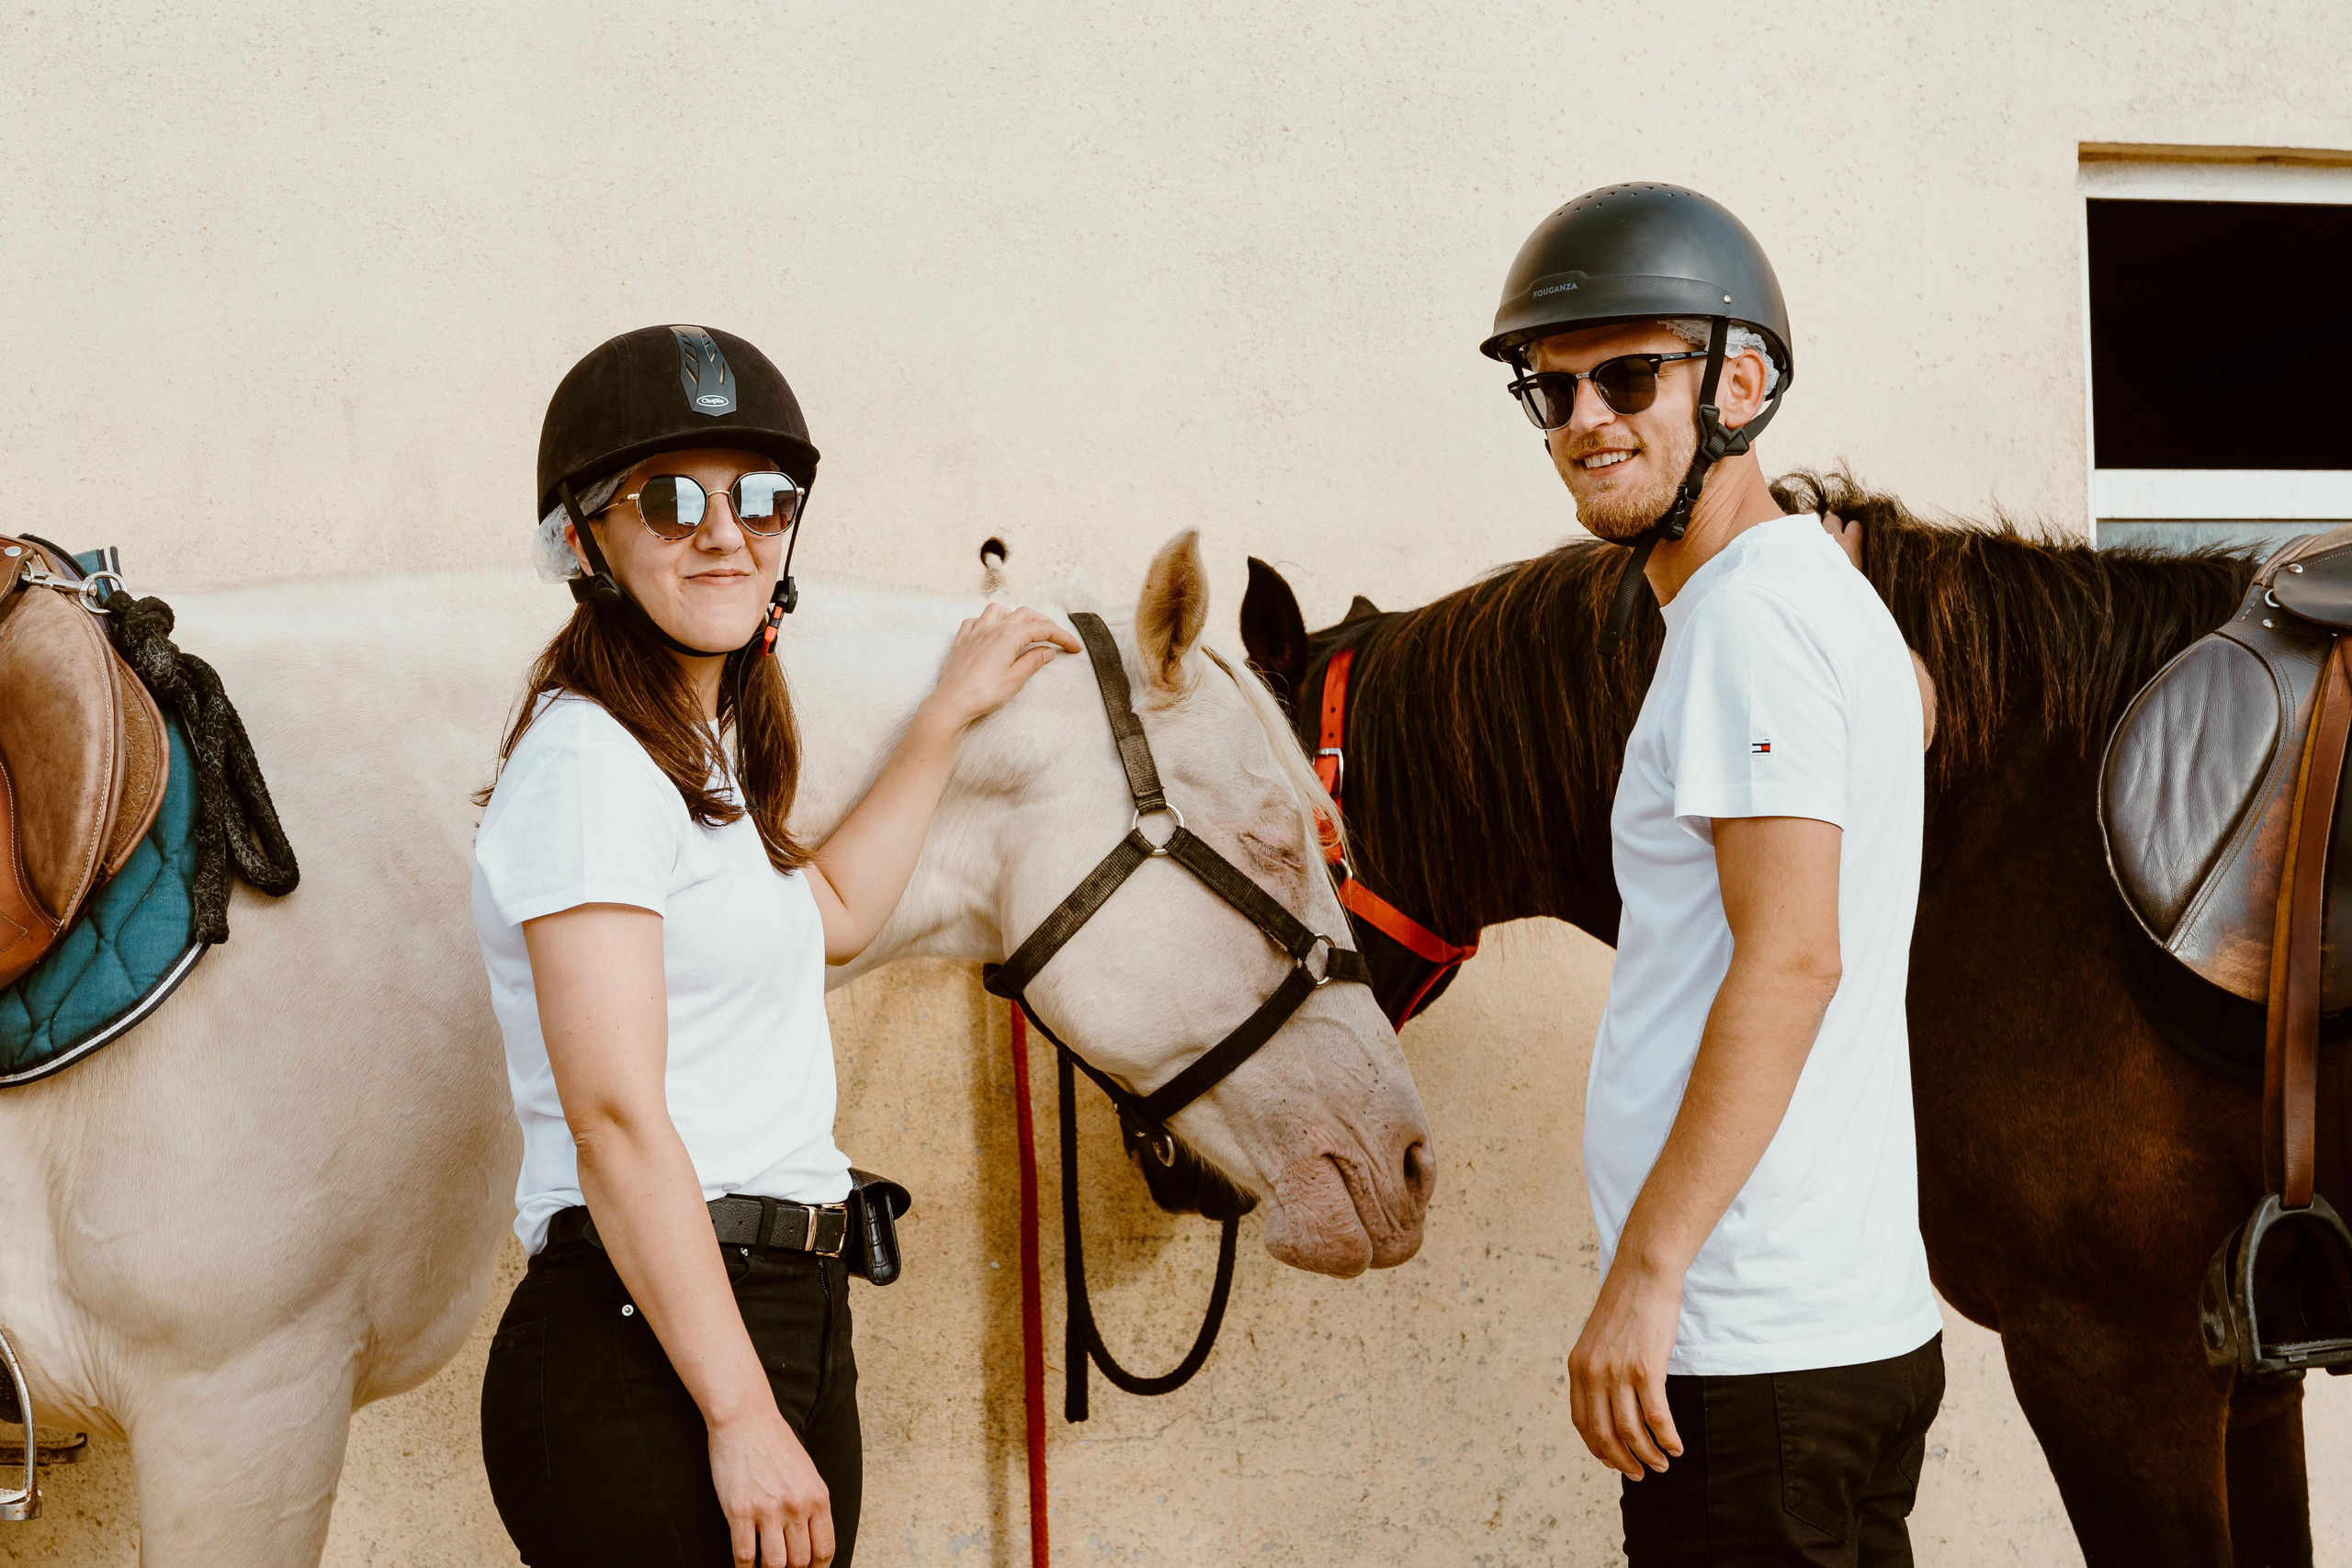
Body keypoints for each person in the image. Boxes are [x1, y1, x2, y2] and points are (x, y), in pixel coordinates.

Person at [470, 323, 1077, 1568]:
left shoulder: (696, 765)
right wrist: (738, 1411)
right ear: (584, 538)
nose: (723, 530)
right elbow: (617, 1119)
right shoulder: (589, 766)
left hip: (787, 1310)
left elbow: (836, 915)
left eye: (759, 498)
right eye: (670, 498)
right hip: (651, 1338)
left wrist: (948, 716)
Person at [1480, 188, 1945, 1562]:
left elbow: (1793, 957)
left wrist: (1648, 1270)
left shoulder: (1750, 620)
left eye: (1628, 376)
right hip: (1838, 1332)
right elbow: (1905, 716)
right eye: (1550, 392)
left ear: (1742, 385)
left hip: (1754, 1351)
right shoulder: (1816, 603)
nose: (1583, 424)